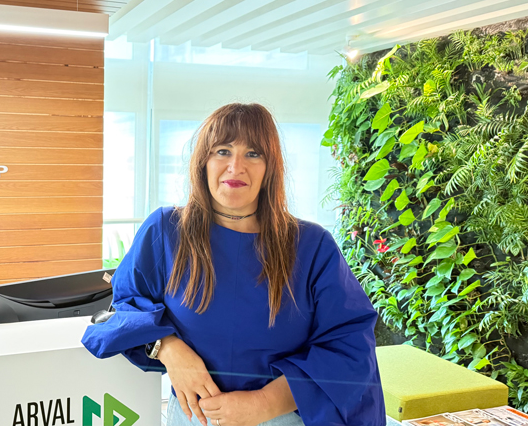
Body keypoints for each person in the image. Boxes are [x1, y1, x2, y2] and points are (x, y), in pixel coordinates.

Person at [81, 103, 385, 426]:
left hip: (281, 419)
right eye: (223, 151)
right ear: (204, 161)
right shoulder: (166, 231)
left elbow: (349, 347)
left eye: (253, 154)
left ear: (270, 168)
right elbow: (125, 305)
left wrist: (264, 403)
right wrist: (167, 348)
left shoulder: (311, 246)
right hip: (192, 417)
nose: (236, 166)